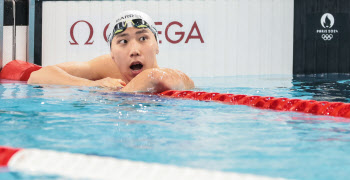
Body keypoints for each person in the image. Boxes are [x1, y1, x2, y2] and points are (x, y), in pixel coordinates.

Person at [28, 10, 194, 93]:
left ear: (157, 45)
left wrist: (117, 97)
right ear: (112, 54)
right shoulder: (106, 68)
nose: (134, 50)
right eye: (123, 41)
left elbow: (154, 78)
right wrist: (92, 84)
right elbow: (37, 76)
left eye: (143, 38)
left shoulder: (173, 78)